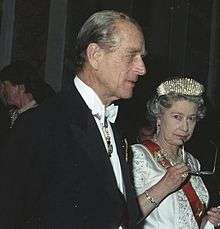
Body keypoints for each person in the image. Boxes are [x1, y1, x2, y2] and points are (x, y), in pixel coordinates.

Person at [0, 10, 146, 228]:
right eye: (131, 56)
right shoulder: (41, 124)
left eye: (142, 58)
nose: (142, 68)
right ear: (95, 55)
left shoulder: (115, 129)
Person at [131, 77, 220, 228]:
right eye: (177, 117)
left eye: (191, 118)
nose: (185, 127)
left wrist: (210, 221)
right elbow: (123, 217)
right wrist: (165, 185)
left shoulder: (192, 162)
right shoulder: (137, 155)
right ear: (159, 117)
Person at [0, 61, 55, 128]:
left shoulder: (38, 116)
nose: (2, 90)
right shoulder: (11, 115)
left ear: (21, 87)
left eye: (5, 85)